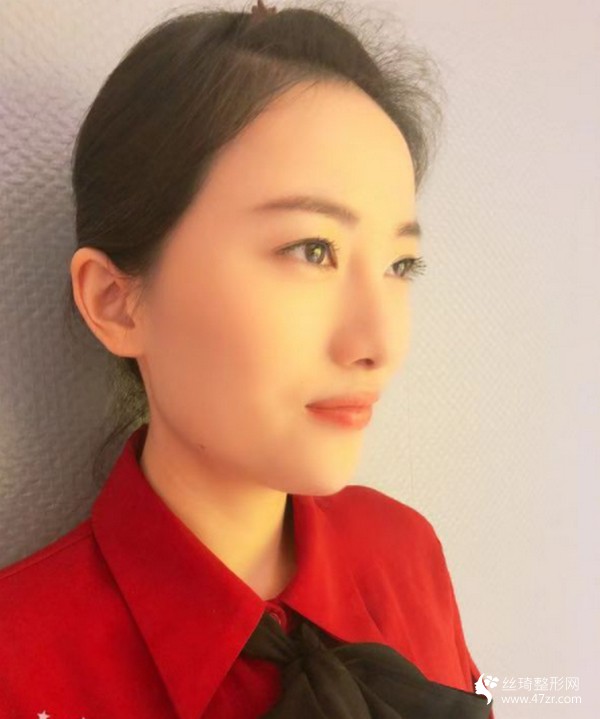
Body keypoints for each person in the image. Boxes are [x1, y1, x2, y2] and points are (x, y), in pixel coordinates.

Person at [0, 2, 494, 717]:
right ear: (117, 302)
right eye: (312, 249)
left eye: (400, 264)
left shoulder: (405, 550)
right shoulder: (17, 666)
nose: (380, 345)